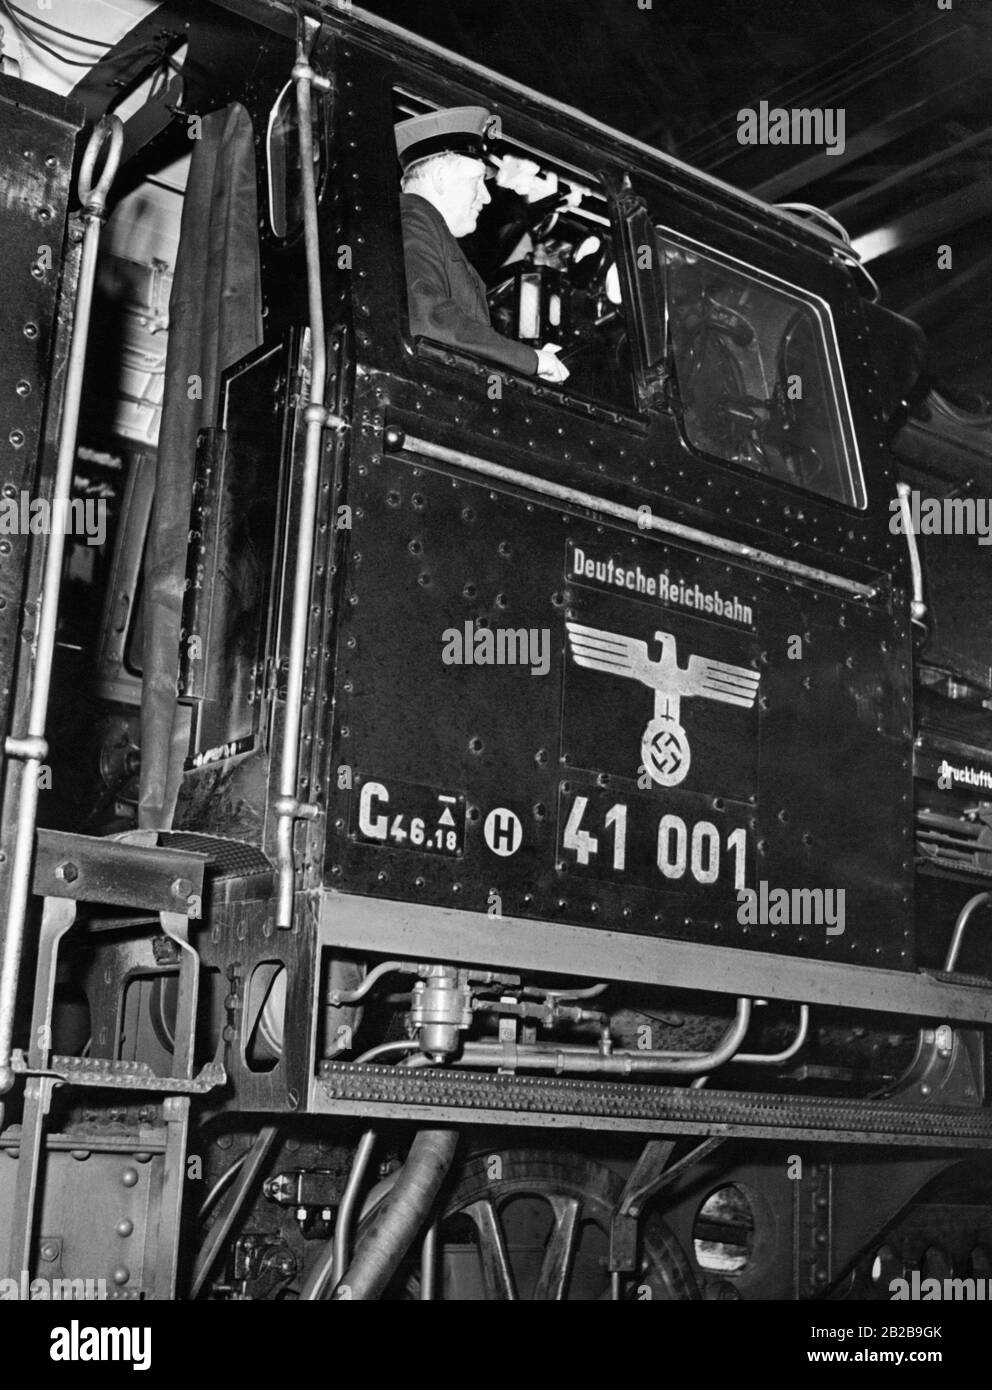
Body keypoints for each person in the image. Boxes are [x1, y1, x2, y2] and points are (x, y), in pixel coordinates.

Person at [395, 106, 569, 384]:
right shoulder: (412, 218)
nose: (486, 197)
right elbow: (429, 320)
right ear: (440, 176)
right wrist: (532, 361)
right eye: (477, 180)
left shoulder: (425, 228)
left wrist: (529, 365)